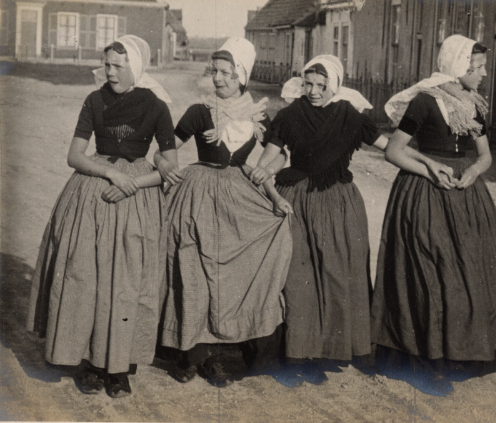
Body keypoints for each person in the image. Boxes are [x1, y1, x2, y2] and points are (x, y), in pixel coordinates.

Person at [26, 35, 177, 398]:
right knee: (85, 276)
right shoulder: (94, 100)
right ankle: (88, 364)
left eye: (118, 66)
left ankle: (118, 369)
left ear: (135, 67)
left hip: (136, 197)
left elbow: (170, 167)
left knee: (127, 282)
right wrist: (110, 173)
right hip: (93, 190)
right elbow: (75, 155)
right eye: (107, 64)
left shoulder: (157, 106)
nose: (110, 72)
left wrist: (132, 183)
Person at [370, 35, 496, 381]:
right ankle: (428, 358)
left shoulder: (473, 104)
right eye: (478, 67)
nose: (483, 74)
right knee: (430, 271)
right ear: (458, 66)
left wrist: (473, 171)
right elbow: (393, 151)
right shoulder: (425, 101)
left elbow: (485, 156)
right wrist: (430, 169)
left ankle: (462, 353)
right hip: (424, 192)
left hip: (465, 194)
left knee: (469, 270)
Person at [155, 37, 293, 387]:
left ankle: (223, 350)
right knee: (194, 269)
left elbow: (280, 154)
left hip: (239, 195)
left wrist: (268, 177)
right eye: (214, 71)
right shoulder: (199, 111)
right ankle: (192, 353)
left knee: (233, 275)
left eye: (225, 73)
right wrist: (165, 166)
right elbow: (165, 149)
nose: (217, 78)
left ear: (241, 76)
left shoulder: (258, 116)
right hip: (199, 192)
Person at [249, 55, 389, 384]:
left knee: (339, 273)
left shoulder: (350, 116)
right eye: (308, 84)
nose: (313, 91)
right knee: (299, 277)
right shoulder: (289, 115)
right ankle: (302, 352)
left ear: (334, 86)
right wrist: (264, 170)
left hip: (338, 201)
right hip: (298, 198)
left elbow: (388, 146)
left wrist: (422, 163)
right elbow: (271, 156)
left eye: (321, 86)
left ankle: (334, 348)